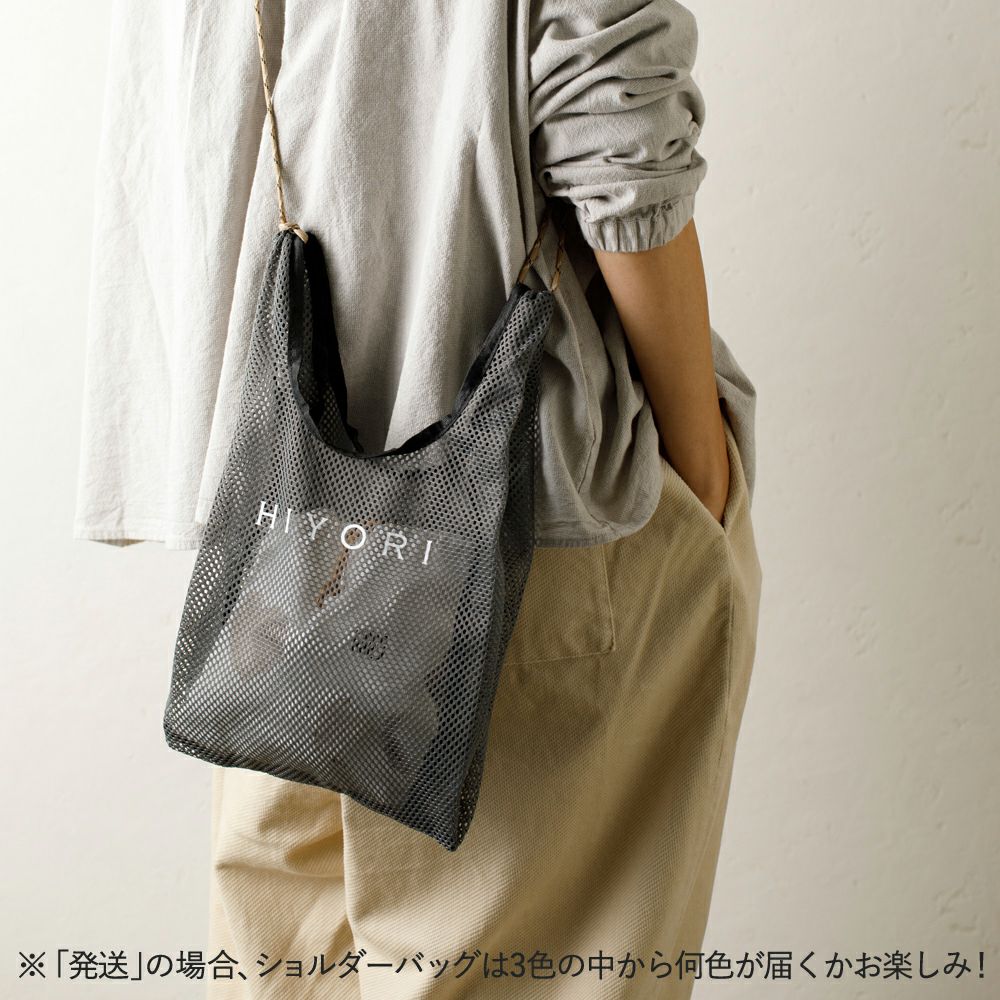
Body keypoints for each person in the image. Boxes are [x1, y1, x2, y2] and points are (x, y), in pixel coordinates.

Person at [75, 1, 762, 997]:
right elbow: (618, 133)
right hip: (520, 534)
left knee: (284, 967)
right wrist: (706, 470)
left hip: (279, 538)